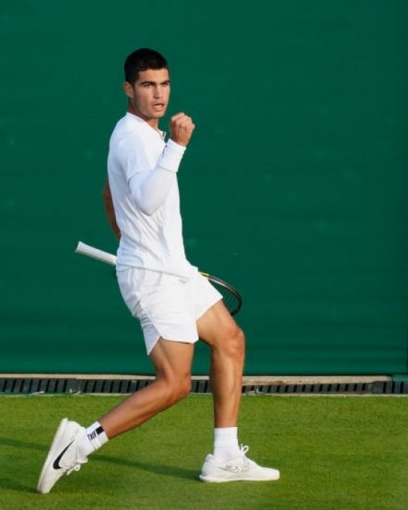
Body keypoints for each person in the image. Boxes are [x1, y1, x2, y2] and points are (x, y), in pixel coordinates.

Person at [37, 48, 279, 494]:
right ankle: (80, 443)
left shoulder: (143, 136)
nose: (158, 94)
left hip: (173, 269)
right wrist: (178, 146)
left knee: (230, 340)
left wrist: (133, 243)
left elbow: (110, 195)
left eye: (164, 84)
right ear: (128, 89)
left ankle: (225, 457)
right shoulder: (134, 138)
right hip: (153, 280)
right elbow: (147, 201)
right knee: (175, 383)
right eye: (148, 85)